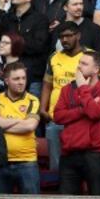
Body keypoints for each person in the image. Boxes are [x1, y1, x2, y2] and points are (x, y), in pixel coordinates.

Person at [53, 50, 100, 195]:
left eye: (84, 64)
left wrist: (83, 89)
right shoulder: (67, 89)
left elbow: (95, 112)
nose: (79, 67)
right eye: (79, 62)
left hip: (95, 154)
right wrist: (83, 109)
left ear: (96, 69)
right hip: (69, 153)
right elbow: (58, 116)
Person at [0, 62, 40, 194]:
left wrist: (3, 123)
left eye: (23, 78)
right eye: (16, 79)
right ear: (6, 81)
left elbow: (30, 126)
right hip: (0, 161)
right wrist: (18, 120)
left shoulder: (33, 100)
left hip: (27, 162)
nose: (21, 82)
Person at [0, 0, 50, 94]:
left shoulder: (40, 19)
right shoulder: (8, 17)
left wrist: (12, 43)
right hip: (7, 75)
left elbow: (38, 46)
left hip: (31, 77)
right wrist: (0, 7)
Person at [39, 22, 84, 172]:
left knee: (77, 162)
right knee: (55, 165)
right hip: (55, 117)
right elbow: (47, 84)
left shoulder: (90, 57)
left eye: (68, 36)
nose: (64, 40)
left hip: (80, 118)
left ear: (78, 35)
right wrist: (42, 108)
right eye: (61, 37)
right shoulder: (54, 57)